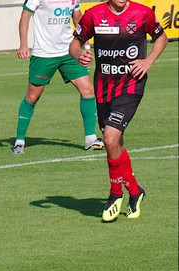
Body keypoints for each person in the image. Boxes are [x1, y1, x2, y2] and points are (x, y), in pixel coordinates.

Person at [70, 0, 167, 221]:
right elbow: (75, 43)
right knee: (115, 144)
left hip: (132, 85)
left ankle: (115, 194)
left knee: (110, 138)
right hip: (104, 88)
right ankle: (135, 191)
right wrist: (79, 55)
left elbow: (160, 36)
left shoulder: (142, 13)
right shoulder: (94, 15)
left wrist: (148, 60)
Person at [12, 0, 104, 154]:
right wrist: (23, 44)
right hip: (44, 54)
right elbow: (25, 16)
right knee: (32, 97)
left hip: (68, 52)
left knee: (88, 90)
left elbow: (78, 19)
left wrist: (86, 47)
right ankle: (19, 140)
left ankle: (90, 139)